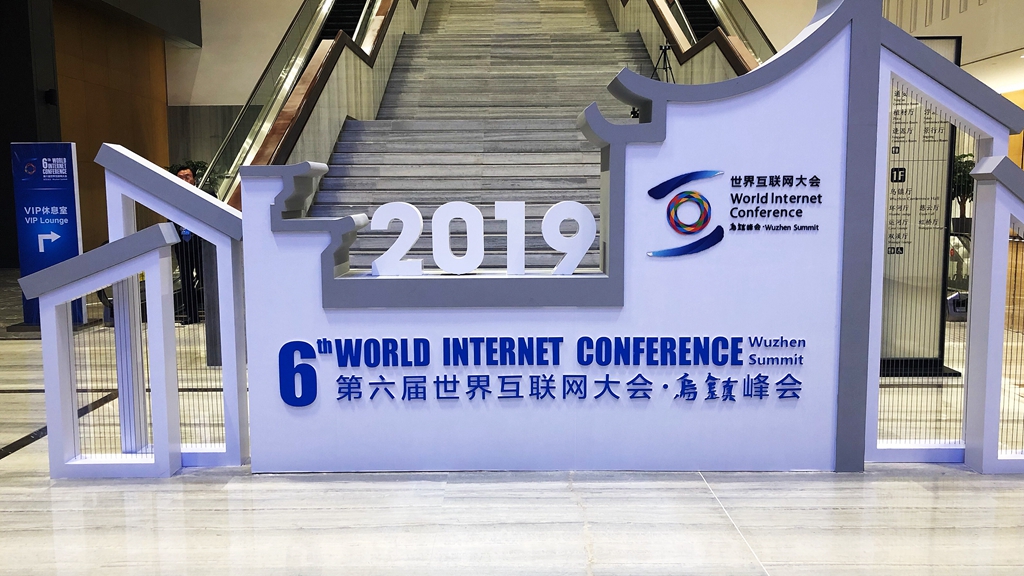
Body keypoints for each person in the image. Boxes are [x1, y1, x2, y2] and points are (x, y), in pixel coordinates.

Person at [172, 166, 204, 325]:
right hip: (182, 244)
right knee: (186, 280)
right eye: (180, 177)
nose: (184, 180)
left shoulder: (205, 196)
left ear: (194, 180)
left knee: (206, 278)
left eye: (187, 176)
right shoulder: (172, 199)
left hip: (201, 243)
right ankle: (192, 315)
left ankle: (214, 312)